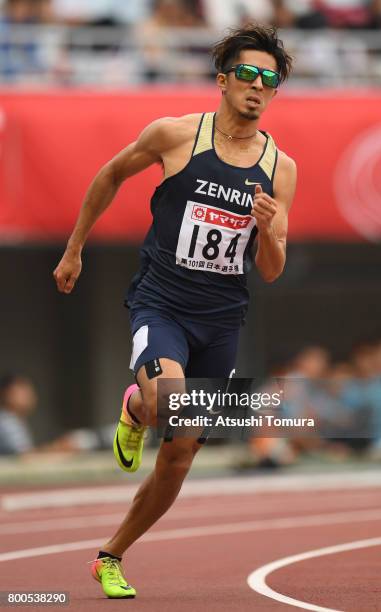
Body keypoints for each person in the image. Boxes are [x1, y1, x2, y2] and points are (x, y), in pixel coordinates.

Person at [53, 23, 296, 599]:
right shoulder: (175, 135)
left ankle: (110, 554)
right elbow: (111, 173)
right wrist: (75, 247)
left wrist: (267, 232)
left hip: (222, 318)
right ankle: (140, 406)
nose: (258, 86)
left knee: (182, 450)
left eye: (270, 79)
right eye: (248, 73)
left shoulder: (281, 168)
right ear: (223, 79)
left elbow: (271, 269)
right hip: (161, 301)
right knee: (169, 401)